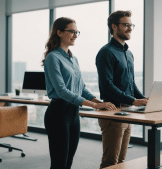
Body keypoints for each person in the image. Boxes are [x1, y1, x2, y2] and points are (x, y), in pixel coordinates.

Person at [42, 17, 116, 169]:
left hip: (74, 114)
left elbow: (81, 88)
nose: (75, 35)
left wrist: (98, 102)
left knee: (68, 162)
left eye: (77, 32)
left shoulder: (73, 58)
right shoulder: (52, 58)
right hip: (58, 114)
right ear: (59, 32)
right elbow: (62, 91)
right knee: (59, 164)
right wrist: (94, 106)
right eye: (72, 31)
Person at [95, 10, 148, 168]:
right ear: (114, 27)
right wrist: (133, 100)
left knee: (121, 162)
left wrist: (144, 99)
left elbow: (131, 83)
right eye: (126, 25)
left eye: (131, 25)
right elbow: (107, 86)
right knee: (110, 162)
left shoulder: (129, 54)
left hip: (127, 111)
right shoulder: (106, 52)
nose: (130, 28)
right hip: (113, 113)